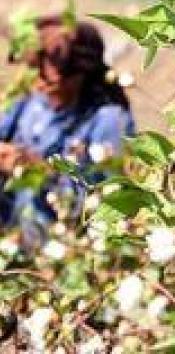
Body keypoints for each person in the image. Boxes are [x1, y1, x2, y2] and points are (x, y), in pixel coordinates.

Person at [0, 15, 135, 245]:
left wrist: (41, 172)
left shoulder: (108, 121)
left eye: (51, 65)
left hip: (63, 248)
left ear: (81, 71)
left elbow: (113, 202)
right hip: (14, 238)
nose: (43, 75)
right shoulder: (28, 105)